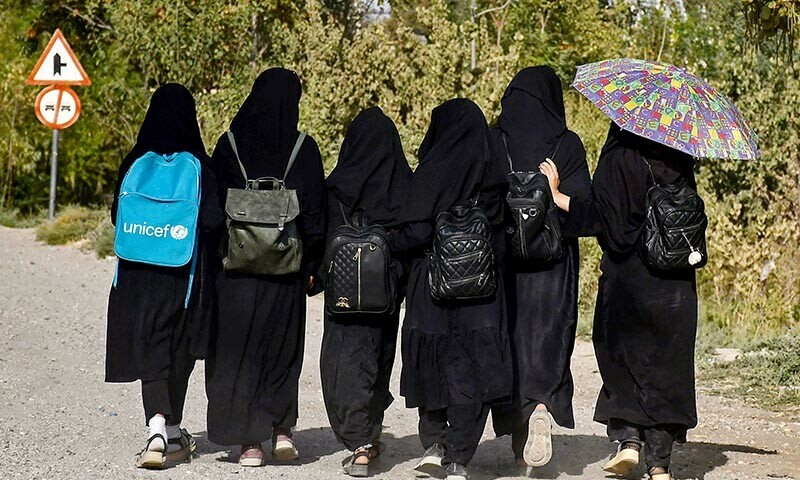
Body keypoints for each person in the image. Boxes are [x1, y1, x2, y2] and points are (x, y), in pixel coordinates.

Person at [542, 123, 698, 480]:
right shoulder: (680, 157)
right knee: (666, 370)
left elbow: (604, 219)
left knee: (622, 360)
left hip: (627, 281)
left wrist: (557, 196)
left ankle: (628, 441)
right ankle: (659, 466)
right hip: (675, 286)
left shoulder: (618, 157)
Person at [205, 68, 327, 467]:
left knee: (238, 351)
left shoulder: (230, 145)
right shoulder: (303, 148)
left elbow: (211, 205)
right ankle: (282, 431)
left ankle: (249, 443)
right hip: (286, 268)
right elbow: (315, 214)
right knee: (282, 348)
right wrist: (312, 264)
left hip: (235, 271)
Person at [392, 98, 512, 480]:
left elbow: (416, 231)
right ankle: (460, 455)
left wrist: (390, 243)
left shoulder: (431, 170)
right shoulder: (494, 174)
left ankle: (434, 444)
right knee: (472, 369)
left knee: (432, 363)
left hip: (431, 287)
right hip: (481, 292)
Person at [105, 83, 223, 469]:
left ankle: (158, 430)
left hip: (138, 277)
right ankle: (170, 426)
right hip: (185, 276)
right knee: (179, 349)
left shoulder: (134, 160)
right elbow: (211, 221)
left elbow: (116, 219)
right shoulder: (200, 166)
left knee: (151, 345)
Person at [488, 66, 591, 467]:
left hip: (504, 262)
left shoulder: (495, 140)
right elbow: (584, 210)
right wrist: (556, 192)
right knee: (550, 336)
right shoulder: (567, 144)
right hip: (555, 262)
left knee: (510, 338)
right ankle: (543, 408)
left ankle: (518, 434)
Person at [320, 106, 412, 477]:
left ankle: (357, 439)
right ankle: (369, 435)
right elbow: (412, 239)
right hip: (383, 296)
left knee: (343, 362)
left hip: (342, 298)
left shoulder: (337, 186)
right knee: (376, 360)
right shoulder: (403, 185)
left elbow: (320, 241)